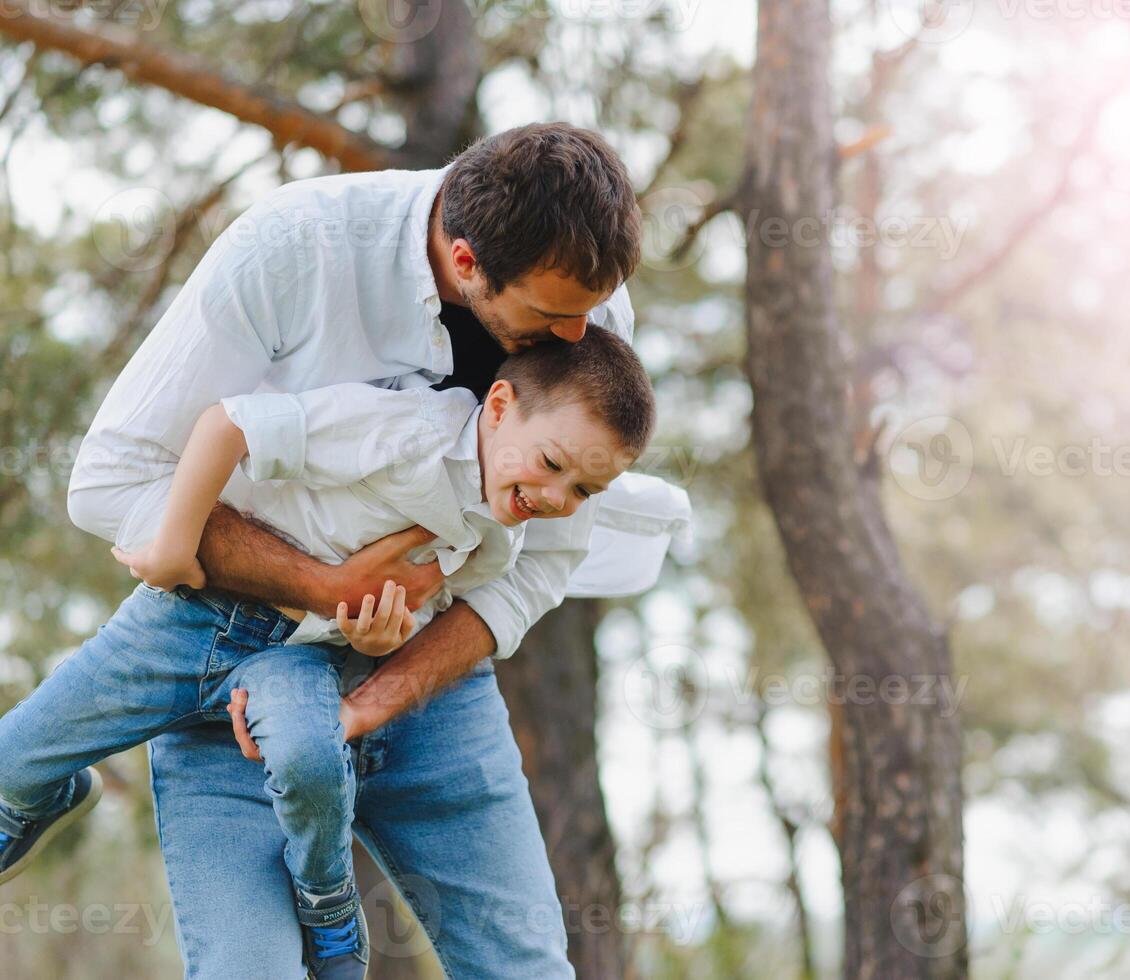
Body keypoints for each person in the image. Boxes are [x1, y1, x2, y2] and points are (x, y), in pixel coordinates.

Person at [58, 122, 688, 977]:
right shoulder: (293, 248)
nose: (584, 335)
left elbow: (538, 566)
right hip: (230, 680)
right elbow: (112, 482)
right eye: (553, 316)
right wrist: (325, 585)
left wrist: (375, 700)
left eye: (592, 312)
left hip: (435, 689)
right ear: (467, 264)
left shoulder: (585, 306)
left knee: (526, 967)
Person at [0, 329, 654, 980]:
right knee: (18, 750)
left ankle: (325, 895)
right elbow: (231, 424)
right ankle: (36, 795)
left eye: (583, 492)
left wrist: (381, 637)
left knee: (310, 760)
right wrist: (175, 542)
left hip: (297, 656)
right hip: (188, 619)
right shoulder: (404, 432)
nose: (555, 499)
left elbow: (431, 604)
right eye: (551, 464)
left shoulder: (500, 536)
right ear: (502, 405)